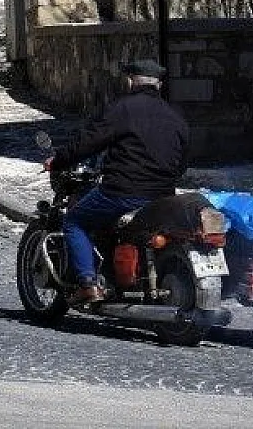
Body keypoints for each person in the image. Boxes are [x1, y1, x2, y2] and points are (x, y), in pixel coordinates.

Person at [45, 57, 190, 305]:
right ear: (159, 85)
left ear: (130, 81)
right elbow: (183, 161)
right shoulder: (175, 116)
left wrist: (58, 160)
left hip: (123, 191)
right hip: (162, 195)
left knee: (74, 221)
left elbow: (89, 141)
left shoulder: (122, 109)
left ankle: (88, 284)